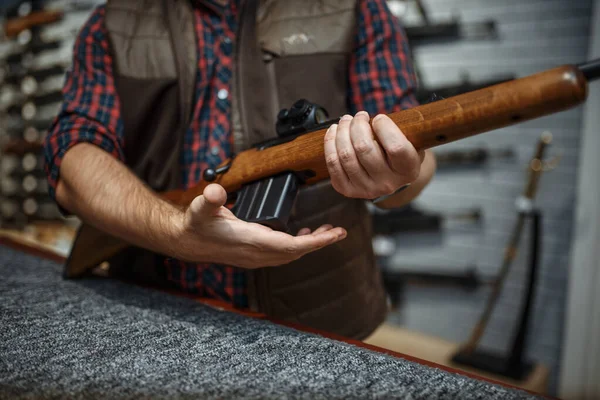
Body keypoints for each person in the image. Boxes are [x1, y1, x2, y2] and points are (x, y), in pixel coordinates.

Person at [43, 0, 436, 340]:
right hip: (152, 311)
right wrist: (174, 230)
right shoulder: (113, 21)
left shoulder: (355, 8)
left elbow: (412, 144)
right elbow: (74, 151)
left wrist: (399, 176)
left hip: (318, 323)